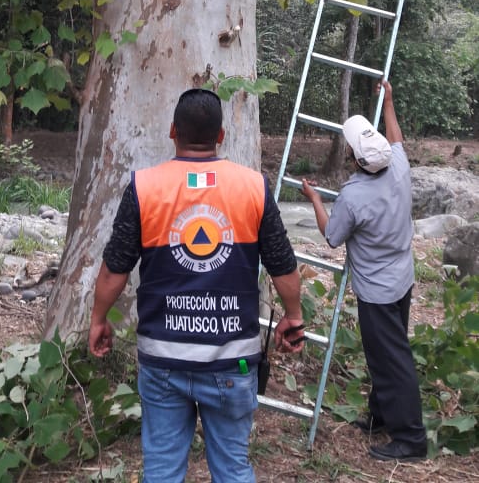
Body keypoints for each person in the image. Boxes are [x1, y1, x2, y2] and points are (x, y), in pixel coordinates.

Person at [89, 88, 304, 483]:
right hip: (233, 362)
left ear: (173, 131)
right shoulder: (254, 187)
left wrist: (98, 318)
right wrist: (294, 316)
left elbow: (113, 270)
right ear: (222, 136)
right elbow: (283, 266)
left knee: (163, 469)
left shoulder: (144, 188)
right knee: (233, 468)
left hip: (162, 361)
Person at [301, 79, 427, 463]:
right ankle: (381, 415)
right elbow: (396, 137)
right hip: (401, 279)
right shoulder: (399, 167)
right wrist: (388, 102)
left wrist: (316, 200)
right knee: (386, 354)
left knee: (392, 360)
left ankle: (411, 439)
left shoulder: (354, 197)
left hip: (377, 293)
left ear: (356, 161)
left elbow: (332, 236)